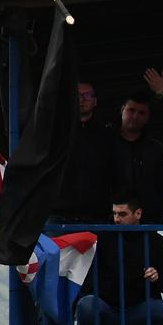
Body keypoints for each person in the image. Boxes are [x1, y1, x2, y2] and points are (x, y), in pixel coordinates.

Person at [73, 193, 163, 325]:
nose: (117, 219)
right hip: (107, 308)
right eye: (115, 213)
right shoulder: (102, 239)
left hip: (139, 309)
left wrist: (156, 277)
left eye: (122, 214)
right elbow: (88, 282)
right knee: (85, 305)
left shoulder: (155, 242)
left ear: (138, 213)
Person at [45, 80, 114, 227]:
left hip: (97, 215)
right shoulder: (54, 132)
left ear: (95, 101)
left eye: (87, 95)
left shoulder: (106, 135)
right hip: (58, 214)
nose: (81, 99)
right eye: (77, 95)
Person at [109, 86, 163, 225]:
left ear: (148, 117)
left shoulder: (156, 149)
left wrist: (159, 215)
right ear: (122, 110)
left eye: (141, 113)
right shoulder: (105, 145)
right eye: (131, 110)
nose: (135, 116)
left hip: (148, 223)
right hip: (110, 223)